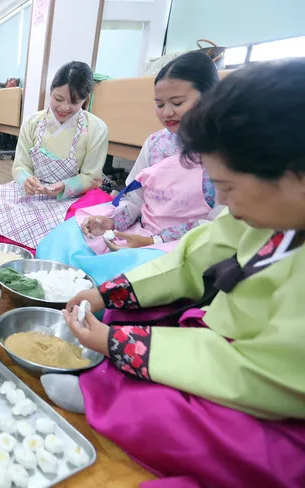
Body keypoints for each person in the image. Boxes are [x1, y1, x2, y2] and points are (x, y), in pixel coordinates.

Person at [51, 59, 305, 488]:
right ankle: (115, 384)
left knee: (194, 420)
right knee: (132, 313)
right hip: (219, 338)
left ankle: (113, 397)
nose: (225, 203)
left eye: (228, 189)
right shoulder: (263, 214)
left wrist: (119, 345)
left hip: (265, 390)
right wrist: (108, 295)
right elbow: (192, 257)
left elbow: (260, 373)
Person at [35, 52, 222, 283]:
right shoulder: (156, 143)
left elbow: (218, 227)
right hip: (141, 231)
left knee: (125, 276)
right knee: (63, 240)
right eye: (159, 104)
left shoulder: (225, 155)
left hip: (183, 245)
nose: (166, 113)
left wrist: (153, 242)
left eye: (177, 103)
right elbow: (135, 200)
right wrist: (112, 222)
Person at [0, 61, 109, 250]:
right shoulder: (33, 122)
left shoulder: (96, 128)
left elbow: (92, 177)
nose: (64, 107)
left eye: (74, 102)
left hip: (69, 198)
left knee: (83, 225)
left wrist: (65, 186)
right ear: (50, 92)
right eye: (58, 99)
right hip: (33, 192)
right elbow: (20, 165)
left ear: (85, 100)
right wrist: (26, 179)